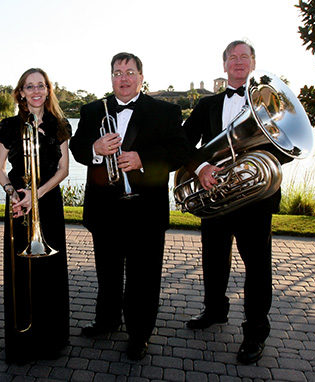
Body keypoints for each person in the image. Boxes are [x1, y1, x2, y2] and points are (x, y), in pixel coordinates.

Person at [70, 52, 194, 360]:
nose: (123, 78)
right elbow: (76, 147)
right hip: (105, 209)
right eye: (117, 73)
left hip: (146, 211)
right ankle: (107, 320)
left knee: (144, 277)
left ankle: (140, 335)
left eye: (129, 72)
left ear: (141, 76)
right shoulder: (91, 110)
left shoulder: (165, 110)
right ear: (110, 77)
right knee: (107, 273)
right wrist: (95, 149)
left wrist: (143, 159)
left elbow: (180, 150)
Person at [183, 40, 292, 364]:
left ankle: (256, 331)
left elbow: (286, 151)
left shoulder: (273, 105)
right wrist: (201, 167)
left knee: (257, 269)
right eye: (233, 57)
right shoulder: (206, 105)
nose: (239, 62)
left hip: (255, 200)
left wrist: (253, 154)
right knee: (214, 260)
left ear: (253, 64)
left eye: (245, 57)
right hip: (216, 196)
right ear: (225, 65)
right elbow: (183, 143)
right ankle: (215, 310)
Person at [0, 68, 71, 364]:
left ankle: (50, 340)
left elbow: (63, 170)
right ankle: (21, 340)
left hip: (47, 203)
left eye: (41, 85)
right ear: (21, 92)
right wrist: (14, 193)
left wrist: (35, 194)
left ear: (48, 90)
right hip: (17, 204)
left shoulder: (59, 125)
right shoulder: (10, 126)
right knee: (19, 272)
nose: (36, 90)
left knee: (49, 273)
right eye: (29, 86)